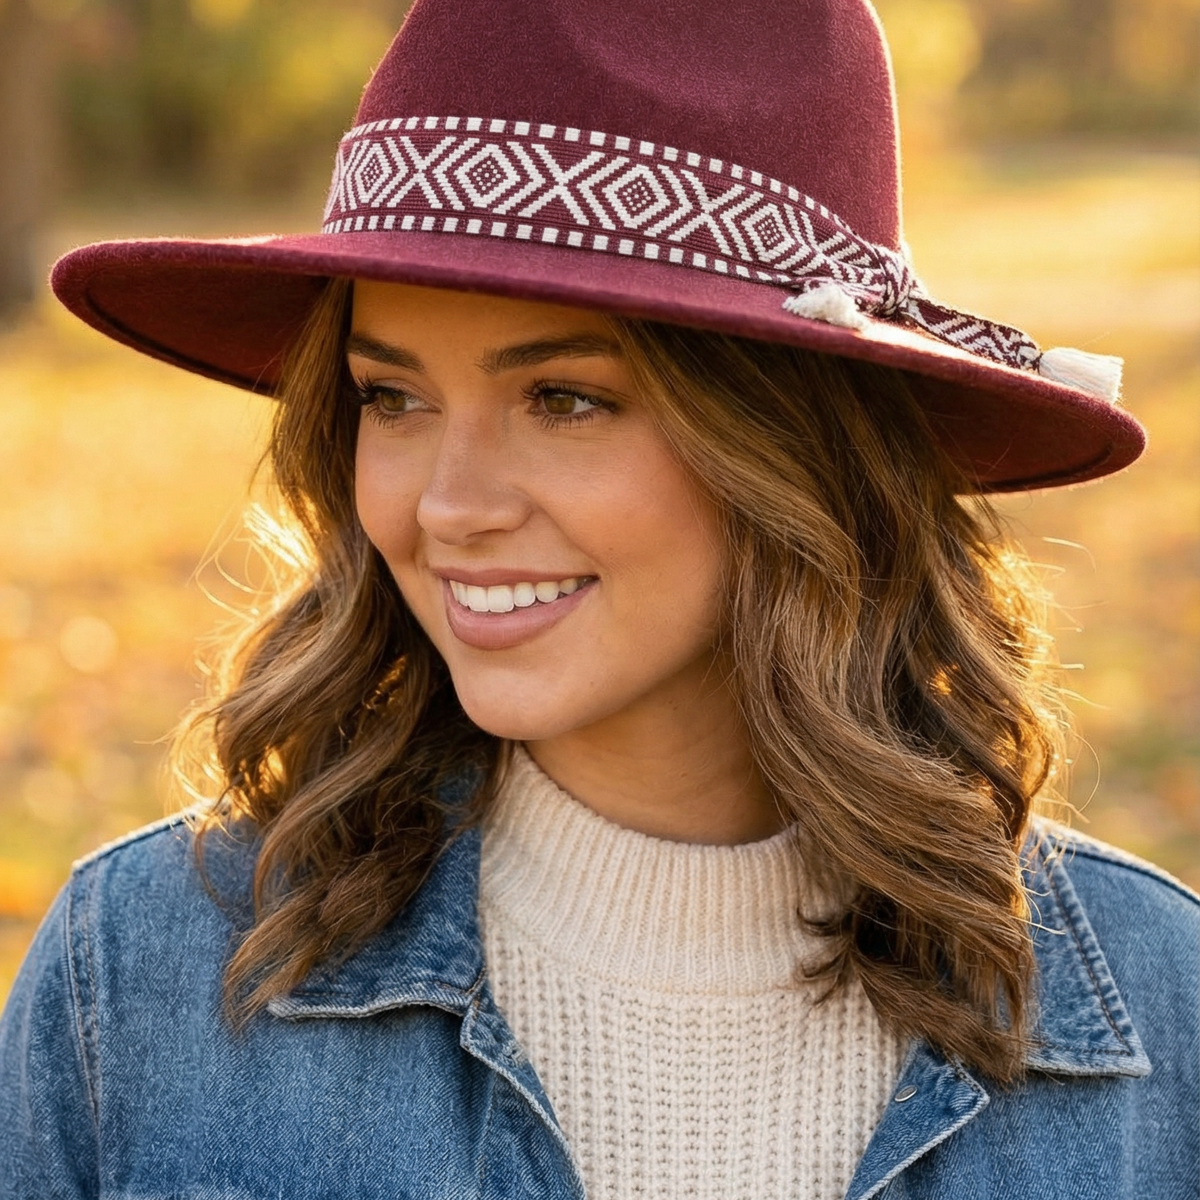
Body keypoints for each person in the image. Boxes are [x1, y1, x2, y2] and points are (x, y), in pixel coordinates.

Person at [1, 0, 1196, 1196]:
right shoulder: (140, 978)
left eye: (565, 398)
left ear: (793, 446)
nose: (448, 507)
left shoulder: (1164, 1018)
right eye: (391, 399)